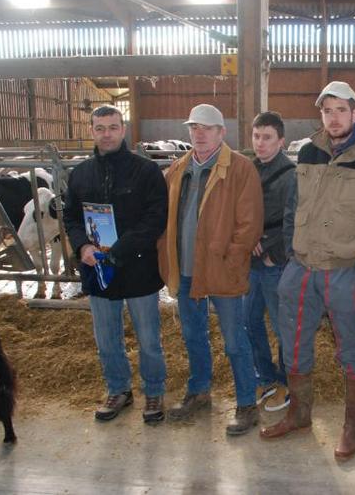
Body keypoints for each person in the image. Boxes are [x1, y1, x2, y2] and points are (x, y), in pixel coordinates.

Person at [259, 81, 355, 462]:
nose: (334, 118)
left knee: (351, 349)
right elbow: (292, 207)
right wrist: (291, 254)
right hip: (301, 269)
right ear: (320, 114)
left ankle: (352, 425)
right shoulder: (307, 152)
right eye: (327, 110)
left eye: (341, 110)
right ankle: (299, 413)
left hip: (344, 272)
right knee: (292, 344)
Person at [158, 103, 263, 436]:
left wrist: (232, 261)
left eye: (206, 128)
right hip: (186, 269)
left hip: (221, 270)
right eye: (194, 128)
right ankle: (200, 391)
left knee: (234, 340)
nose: (199, 134)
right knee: (193, 335)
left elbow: (250, 224)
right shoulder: (177, 169)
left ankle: (247, 403)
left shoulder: (241, 169)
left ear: (222, 133)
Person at [63, 105, 168, 424]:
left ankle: (153, 391)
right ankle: (119, 389)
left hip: (137, 266)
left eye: (112, 127)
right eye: (99, 128)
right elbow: (70, 216)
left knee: (148, 338)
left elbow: (155, 218)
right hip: (96, 267)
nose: (106, 134)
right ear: (91, 131)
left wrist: (119, 249)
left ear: (123, 130)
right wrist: (81, 245)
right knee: (107, 337)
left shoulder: (146, 171)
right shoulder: (80, 174)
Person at [244, 111, 295, 412]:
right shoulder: (250, 169)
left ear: (281, 141)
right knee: (249, 321)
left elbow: (294, 221)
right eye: (256, 136)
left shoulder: (290, 175)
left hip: (276, 264)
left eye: (267, 138)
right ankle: (266, 376)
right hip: (251, 265)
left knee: (282, 326)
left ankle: (289, 385)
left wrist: (268, 248)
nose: (260, 144)